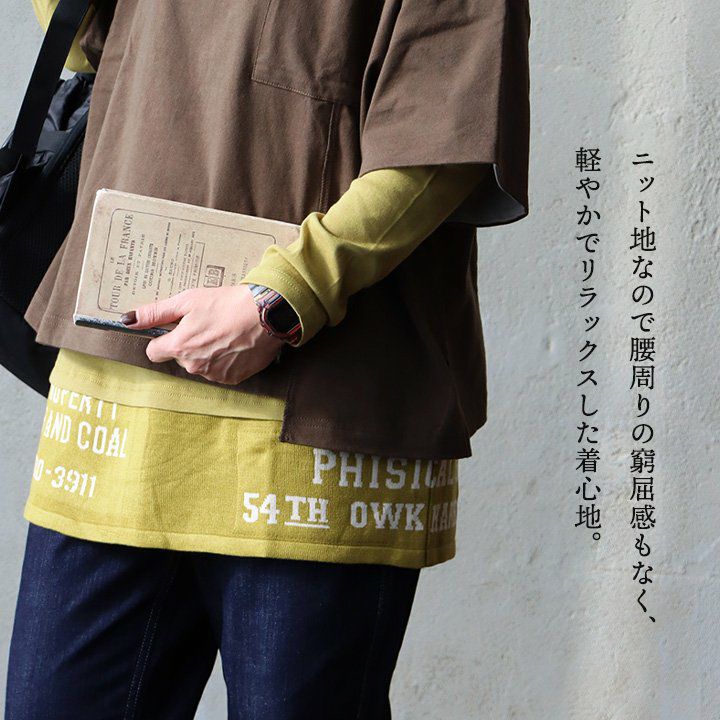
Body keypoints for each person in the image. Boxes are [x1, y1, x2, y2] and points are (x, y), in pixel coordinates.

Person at [6, 0, 531, 718]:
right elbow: (87, 42)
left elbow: (444, 138)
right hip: (115, 417)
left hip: (314, 432)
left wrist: (282, 300)